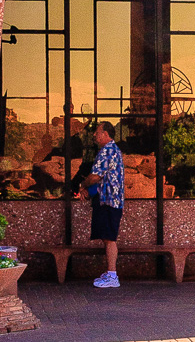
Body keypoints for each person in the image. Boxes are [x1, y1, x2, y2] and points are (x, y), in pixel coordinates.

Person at [82, 121, 124, 288]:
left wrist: (83, 186)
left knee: (109, 238)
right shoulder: (113, 150)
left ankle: (112, 275)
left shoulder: (107, 151)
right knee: (107, 237)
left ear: (106, 134)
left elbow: (95, 176)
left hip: (109, 201)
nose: (95, 135)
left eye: (98, 132)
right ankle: (110, 272)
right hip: (109, 200)